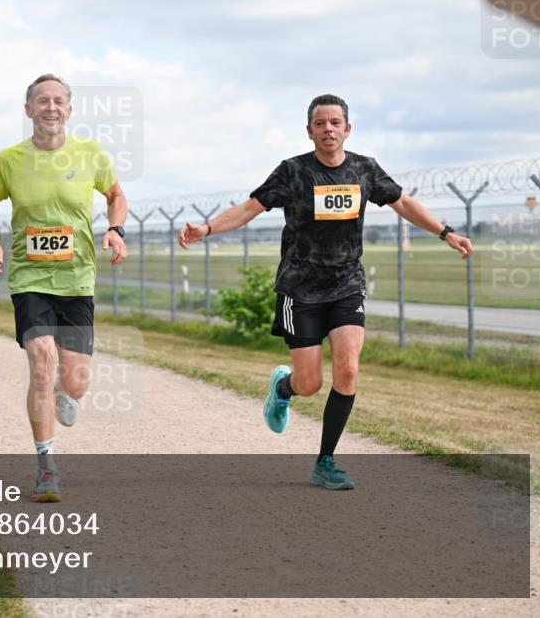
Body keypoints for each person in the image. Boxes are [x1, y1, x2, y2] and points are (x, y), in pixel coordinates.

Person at [179, 94, 473, 490]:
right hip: (299, 290)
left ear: (347, 129)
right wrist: (207, 229)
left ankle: (326, 461)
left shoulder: (364, 170)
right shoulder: (293, 172)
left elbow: (402, 202)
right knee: (309, 384)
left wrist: (445, 232)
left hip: (346, 284)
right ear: (309, 130)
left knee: (348, 368)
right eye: (321, 123)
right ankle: (283, 388)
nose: (329, 129)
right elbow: (250, 207)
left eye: (336, 122)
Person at [0, 74, 128, 502]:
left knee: (75, 382)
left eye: (59, 100)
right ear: (28, 110)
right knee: (41, 361)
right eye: (43, 101)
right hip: (29, 277)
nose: (51, 107)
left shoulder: (91, 154)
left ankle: (63, 391)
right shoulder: (8, 160)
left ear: (70, 109)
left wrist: (115, 230)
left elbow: (116, 194)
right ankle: (46, 469)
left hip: (77, 278)